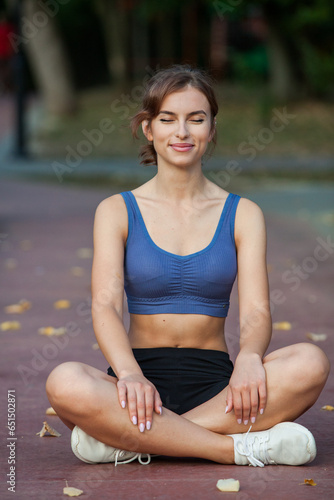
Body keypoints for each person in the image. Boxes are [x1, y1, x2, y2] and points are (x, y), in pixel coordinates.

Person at [46, 65, 330, 467]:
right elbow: (105, 307)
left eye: (196, 120)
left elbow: (256, 311)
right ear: (148, 128)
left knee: (309, 362)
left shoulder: (243, 213)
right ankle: (234, 449)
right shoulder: (116, 211)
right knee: (65, 381)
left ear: (211, 129)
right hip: (136, 385)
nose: (182, 132)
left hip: (219, 386)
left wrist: (249, 357)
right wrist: (128, 375)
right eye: (167, 119)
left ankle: (134, 442)